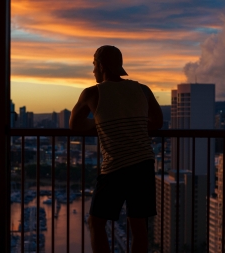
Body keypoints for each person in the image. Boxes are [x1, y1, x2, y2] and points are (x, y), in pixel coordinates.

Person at [69, 45, 163, 253]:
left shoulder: (92, 93)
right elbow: (157, 121)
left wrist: (98, 123)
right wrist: (133, 124)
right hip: (144, 164)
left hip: (116, 166)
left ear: (101, 66)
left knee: (96, 222)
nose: (93, 70)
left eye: (94, 65)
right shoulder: (143, 90)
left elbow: (75, 124)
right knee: (139, 228)